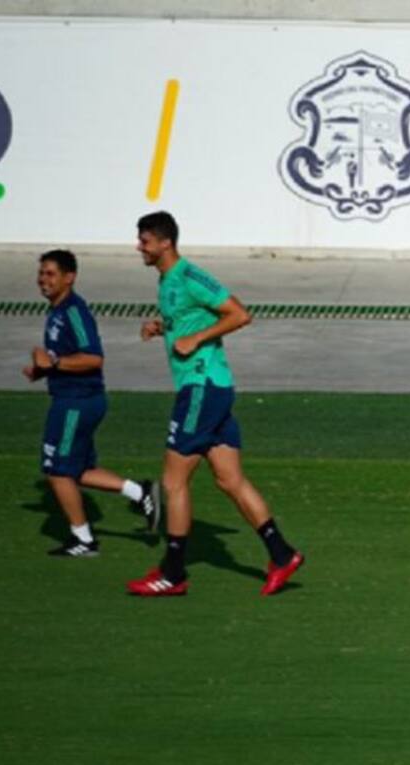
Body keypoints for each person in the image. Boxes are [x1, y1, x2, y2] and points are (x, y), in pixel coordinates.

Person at [126, 211, 303, 596]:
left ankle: (173, 573)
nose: (139, 246)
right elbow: (188, 321)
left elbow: (239, 314)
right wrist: (165, 328)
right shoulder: (167, 281)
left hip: (201, 388)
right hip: (211, 389)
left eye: (145, 240)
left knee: (173, 481)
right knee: (229, 479)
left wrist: (196, 339)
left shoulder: (190, 276)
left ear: (165, 243)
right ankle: (282, 553)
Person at [23, 250, 159, 556]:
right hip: (74, 400)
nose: (43, 280)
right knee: (79, 468)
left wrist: (54, 363)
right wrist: (42, 370)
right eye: (41, 274)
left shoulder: (74, 312)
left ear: (69, 277)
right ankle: (140, 492)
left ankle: (84, 541)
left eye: (50, 274)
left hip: (76, 403)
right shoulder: (57, 311)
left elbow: (93, 357)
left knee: (58, 470)